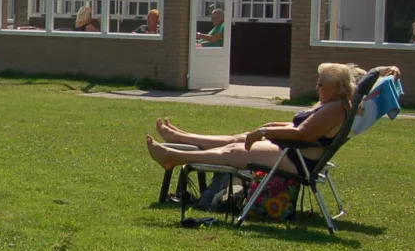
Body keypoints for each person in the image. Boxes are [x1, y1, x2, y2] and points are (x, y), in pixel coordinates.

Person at [145, 63, 401, 174]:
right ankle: (180, 138)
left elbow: (304, 135)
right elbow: (303, 128)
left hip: (299, 160)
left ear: (335, 86)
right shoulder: (334, 103)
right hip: (296, 153)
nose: (316, 86)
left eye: (320, 83)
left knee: (236, 150)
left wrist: (265, 133)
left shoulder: (335, 108)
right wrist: (385, 71)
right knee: (238, 140)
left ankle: (175, 157)